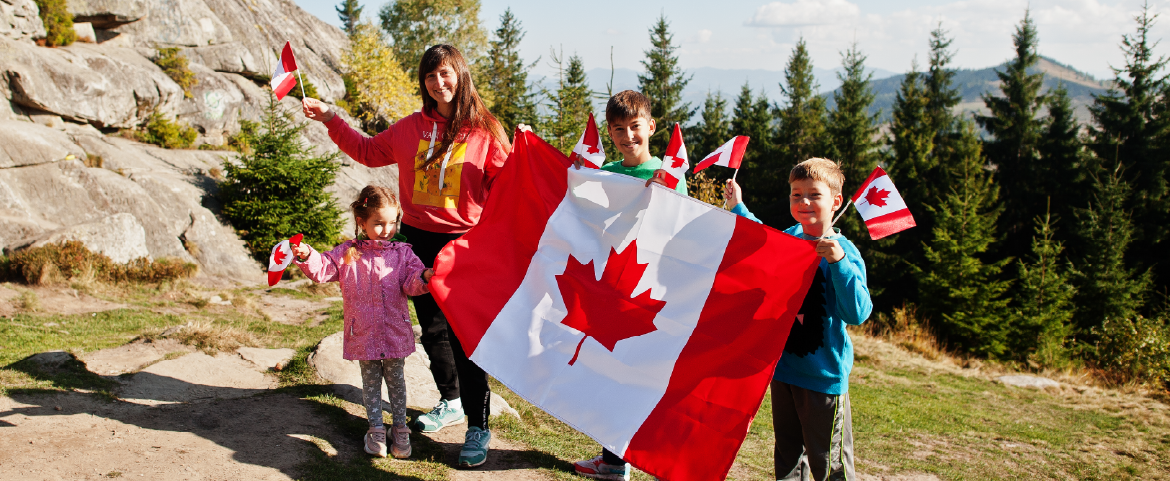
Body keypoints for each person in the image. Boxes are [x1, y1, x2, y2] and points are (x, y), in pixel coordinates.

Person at [301, 44, 510, 468]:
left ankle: (478, 425)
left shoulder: (485, 129)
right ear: (424, 83)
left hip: (464, 244)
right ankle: (450, 400)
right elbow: (365, 151)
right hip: (415, 241)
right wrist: (329, 118)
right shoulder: (410, 128)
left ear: (460, 75)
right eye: (431, 77)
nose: (439, 83)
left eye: (446, 74)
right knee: (432, 330)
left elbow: (509, 184)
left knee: (465, 336)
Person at [724, 159, 872, 481]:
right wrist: (738, 207)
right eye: (796, 195)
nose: (803, 202)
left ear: (835, 201)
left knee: (830, 465)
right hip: (784, 371)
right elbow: (762, 243)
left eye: (813, 195)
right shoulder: (790, 237)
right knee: (788, 458)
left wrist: (839, 263)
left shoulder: (844, 250)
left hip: (823, 380)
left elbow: (858, 312)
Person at [571, 90, 686, 481]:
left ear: (651, 127)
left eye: (635, 127)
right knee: (609, 373)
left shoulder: (668, 176)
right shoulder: (609, 175)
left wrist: (666, 193)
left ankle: (637, 460)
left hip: (646, 292)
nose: (628, 136)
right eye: (618, 129)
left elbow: (678, 233)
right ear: (609, 132)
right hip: (608, 288)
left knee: (636, 377)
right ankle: (612, 461)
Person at [292, 185, 434, 460]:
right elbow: (322, 270)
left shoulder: (403, 253)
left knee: (397, 381)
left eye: (392, 222)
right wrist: (307, 255)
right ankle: (376, 430)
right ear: (362, 222)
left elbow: (411, 283)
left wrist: (426, 277)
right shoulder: (348, 253)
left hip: (394, 330)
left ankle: (401, 429)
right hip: (364, 332)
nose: (387, 229)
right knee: (370, 382)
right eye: (378, 223)